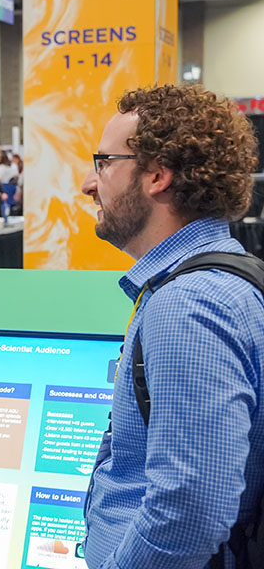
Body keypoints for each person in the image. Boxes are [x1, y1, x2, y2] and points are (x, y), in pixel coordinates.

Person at [80, 85, 264, 569]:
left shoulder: (188, 305)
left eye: (104, 163)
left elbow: (189, 513)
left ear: (157, 176)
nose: (88, 182)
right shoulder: (227, 279)